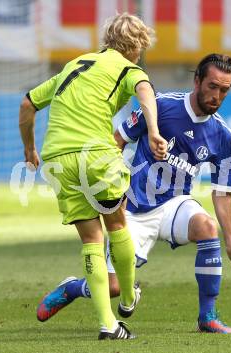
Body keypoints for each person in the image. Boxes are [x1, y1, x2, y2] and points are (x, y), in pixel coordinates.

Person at [36, 54, 231, 334]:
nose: (217, 95)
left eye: (224, 90)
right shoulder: (161, 106)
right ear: (197, 80)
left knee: (207, 227)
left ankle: (207, 317)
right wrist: (109, 184)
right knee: (113, 287)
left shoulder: (222, 134)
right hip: (133, 209)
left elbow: (222, 193)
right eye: (212, 86)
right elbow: (117, 141)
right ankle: (74, 288)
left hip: (174, 204)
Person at [19, 13, 167, 340]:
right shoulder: (129, 69)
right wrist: (154, 130)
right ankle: (128, 298)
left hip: (57, 158)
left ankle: (109, 325)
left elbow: (28, 104)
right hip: (96, 156)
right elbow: (145, 91)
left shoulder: (75, 64)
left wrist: (30, 149)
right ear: (138, 46)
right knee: (117, 224)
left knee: (91, 240)